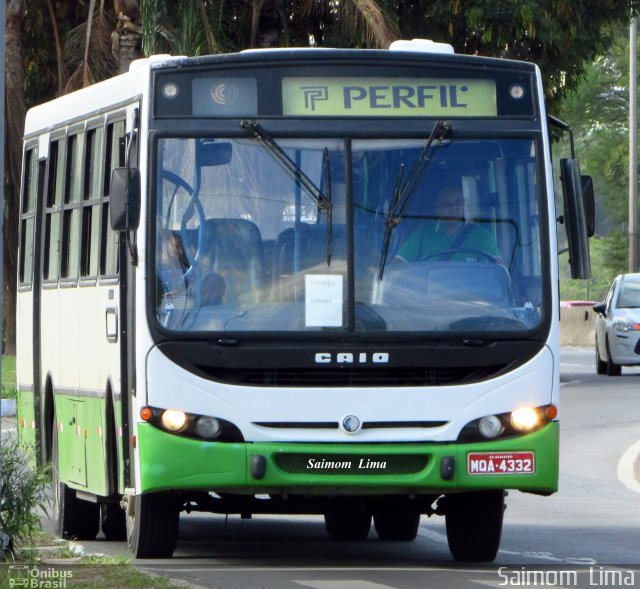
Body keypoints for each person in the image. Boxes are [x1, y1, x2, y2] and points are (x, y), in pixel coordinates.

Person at [397, 182, 502, 262]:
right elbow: (399, 263)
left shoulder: (481, 235)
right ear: (437, 207)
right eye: (446, 203)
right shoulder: (423, 233)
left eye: (458, 202)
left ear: (464, 205)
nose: (453, 207)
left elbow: (497, 268)